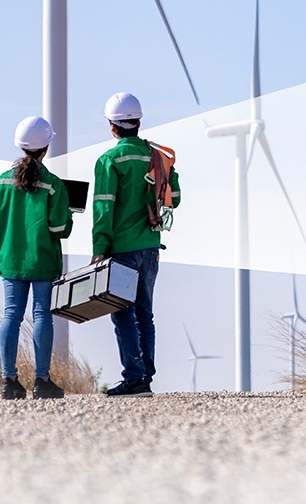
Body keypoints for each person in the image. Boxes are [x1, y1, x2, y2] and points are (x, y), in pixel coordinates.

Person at [0, 116, 74, 400]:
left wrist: (2, 183)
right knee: (42, 315)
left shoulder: (3, 180)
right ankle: (42, 381)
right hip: (42, 260)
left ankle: (9, 381)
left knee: (12, 315)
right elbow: (60, 228)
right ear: (46, 148)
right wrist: (68, 216)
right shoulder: (54, 184)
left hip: (11, 261)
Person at [91, 92, 180, 398]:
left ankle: (134, 377)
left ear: (113, 127)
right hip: (151, 247)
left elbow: (104, 208)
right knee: (145, 314)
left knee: (123, 313)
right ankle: (146, 377)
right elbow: (175, 199)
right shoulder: (160, 157)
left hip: (122, 249)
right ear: (138, 122)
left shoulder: (109, 160)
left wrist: (99, 247)